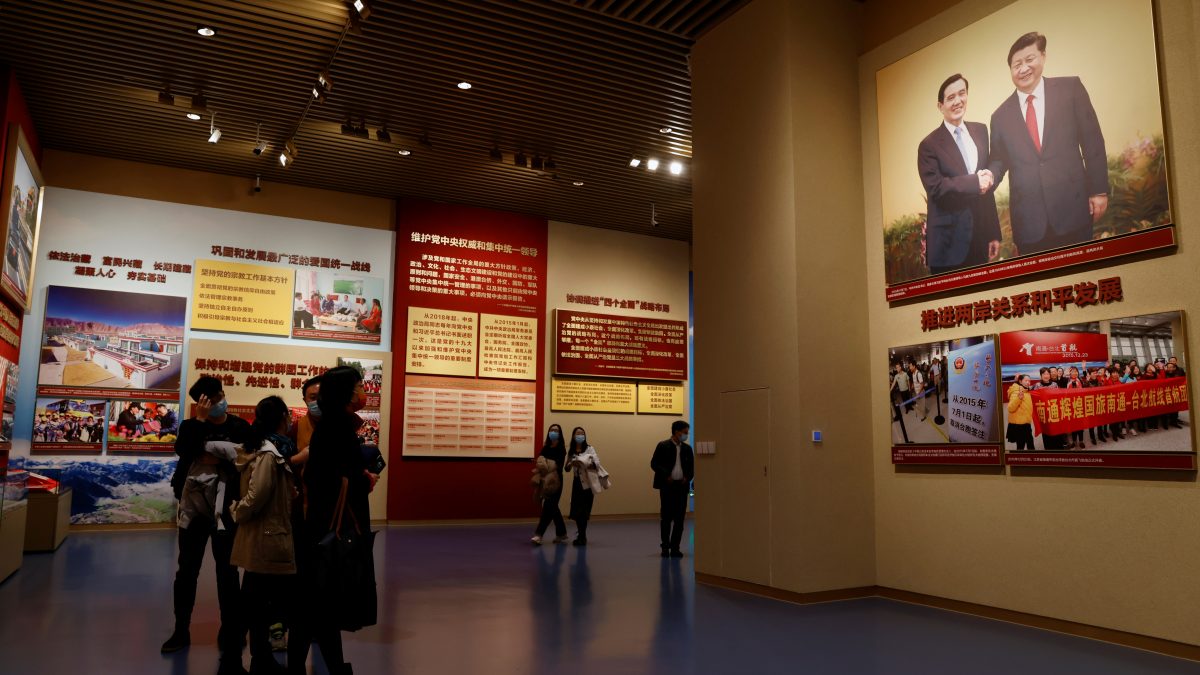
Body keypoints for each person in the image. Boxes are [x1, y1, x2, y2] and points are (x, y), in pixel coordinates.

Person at [986, 32, 1108, 256]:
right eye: (1016, 64)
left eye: (1029, 60)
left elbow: (1092, 141)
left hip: (1074, 209)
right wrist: (988, 177)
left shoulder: (1070, 89)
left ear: (1043, 56)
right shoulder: (1000, 116)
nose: (1023, 69)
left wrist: (1099, 190)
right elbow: (998, 159)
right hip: (1029, 224)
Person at [163, 376, 253, 675]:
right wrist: (201, 423)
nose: (217, 403)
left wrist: (212, 456)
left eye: (218, 397)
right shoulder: (191, 426)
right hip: (193, 508)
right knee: (187, 568)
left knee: (227, 572)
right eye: (209, 400)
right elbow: (185, 452)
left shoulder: (239, 426)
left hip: (226, 508)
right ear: (200, 403)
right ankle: (181, 629)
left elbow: (246, 459)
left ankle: (232, 629)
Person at [290, 366, 373, 675]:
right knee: (317, 605)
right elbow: (340, 478)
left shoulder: (329, 427)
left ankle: (328, 666)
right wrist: (365, 479)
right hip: (330, 532)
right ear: (345, 392)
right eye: (359, 386)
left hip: (319, 528)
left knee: (315, 606)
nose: (363, 391)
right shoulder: (338, 429)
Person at [230, 396, 297, 675]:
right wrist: (238, 511)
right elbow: (257, 495)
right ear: (282, 417)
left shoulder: (263, 449)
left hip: (261, 537)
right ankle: (252, 659)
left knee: (254, 603)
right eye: (288, 414)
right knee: (260, 605)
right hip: (269, 537)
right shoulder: (269, 454)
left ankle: (251, 657)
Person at [918, 73, 1002, 274]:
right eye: (950, 98)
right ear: (940, 106)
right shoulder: (928, 145)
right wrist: (975, 182)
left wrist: (992, 233)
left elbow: (985, 189)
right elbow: (937, 188)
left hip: (980, 238)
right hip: (949, 245)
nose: (958, 101)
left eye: (962, 93)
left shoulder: (981, 131)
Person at [651, 421, 694, 558]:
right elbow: (654, 464)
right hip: (667, 486)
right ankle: (665, 547)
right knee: (666, 518)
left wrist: (687, 477)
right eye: (685, 432)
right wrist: (666, 475)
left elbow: (692, 467)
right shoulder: (663, 445)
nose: (686, 435)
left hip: (681, 487)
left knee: (680, 519)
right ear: (677, 431)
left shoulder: (687, 449)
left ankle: (675, 547)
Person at [567, 427, 609, 546]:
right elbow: (567, 468)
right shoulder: (571, 450)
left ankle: (582, 536)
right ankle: (581, 534)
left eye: (582, 433)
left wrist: (583, 463)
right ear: (573, 436)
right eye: (577, 433)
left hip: (588, 484)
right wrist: (570, 462)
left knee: (584, 511)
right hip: (577, 483)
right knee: (576, 511)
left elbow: (596, 464)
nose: (580, 435)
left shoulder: (590, 448)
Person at [531, 424, 568, 545]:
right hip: (544, 480)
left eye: (556, 430)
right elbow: (539, 462)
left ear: (560, 433)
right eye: (552, 430)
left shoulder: (561, 448)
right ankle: (562, 533)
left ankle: (539, 534)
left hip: (556, 481)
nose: (554, 432)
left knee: (548, 506)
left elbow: (556, 465)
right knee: (553, 507)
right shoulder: (546, 447)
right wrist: (544, 464)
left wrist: (545, 463)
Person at [1006, 374, 1034, 450]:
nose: (1028, 382)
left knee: (1028, 444)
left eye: (1029, 381)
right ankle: (1019, 460)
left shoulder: (1026, 391)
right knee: (1022, 446)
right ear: (1020, 381)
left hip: (1026, 423)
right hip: (1019, 425)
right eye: (1026, 380)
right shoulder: (1016, 392)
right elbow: (1010, 408)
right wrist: (1019, 398)